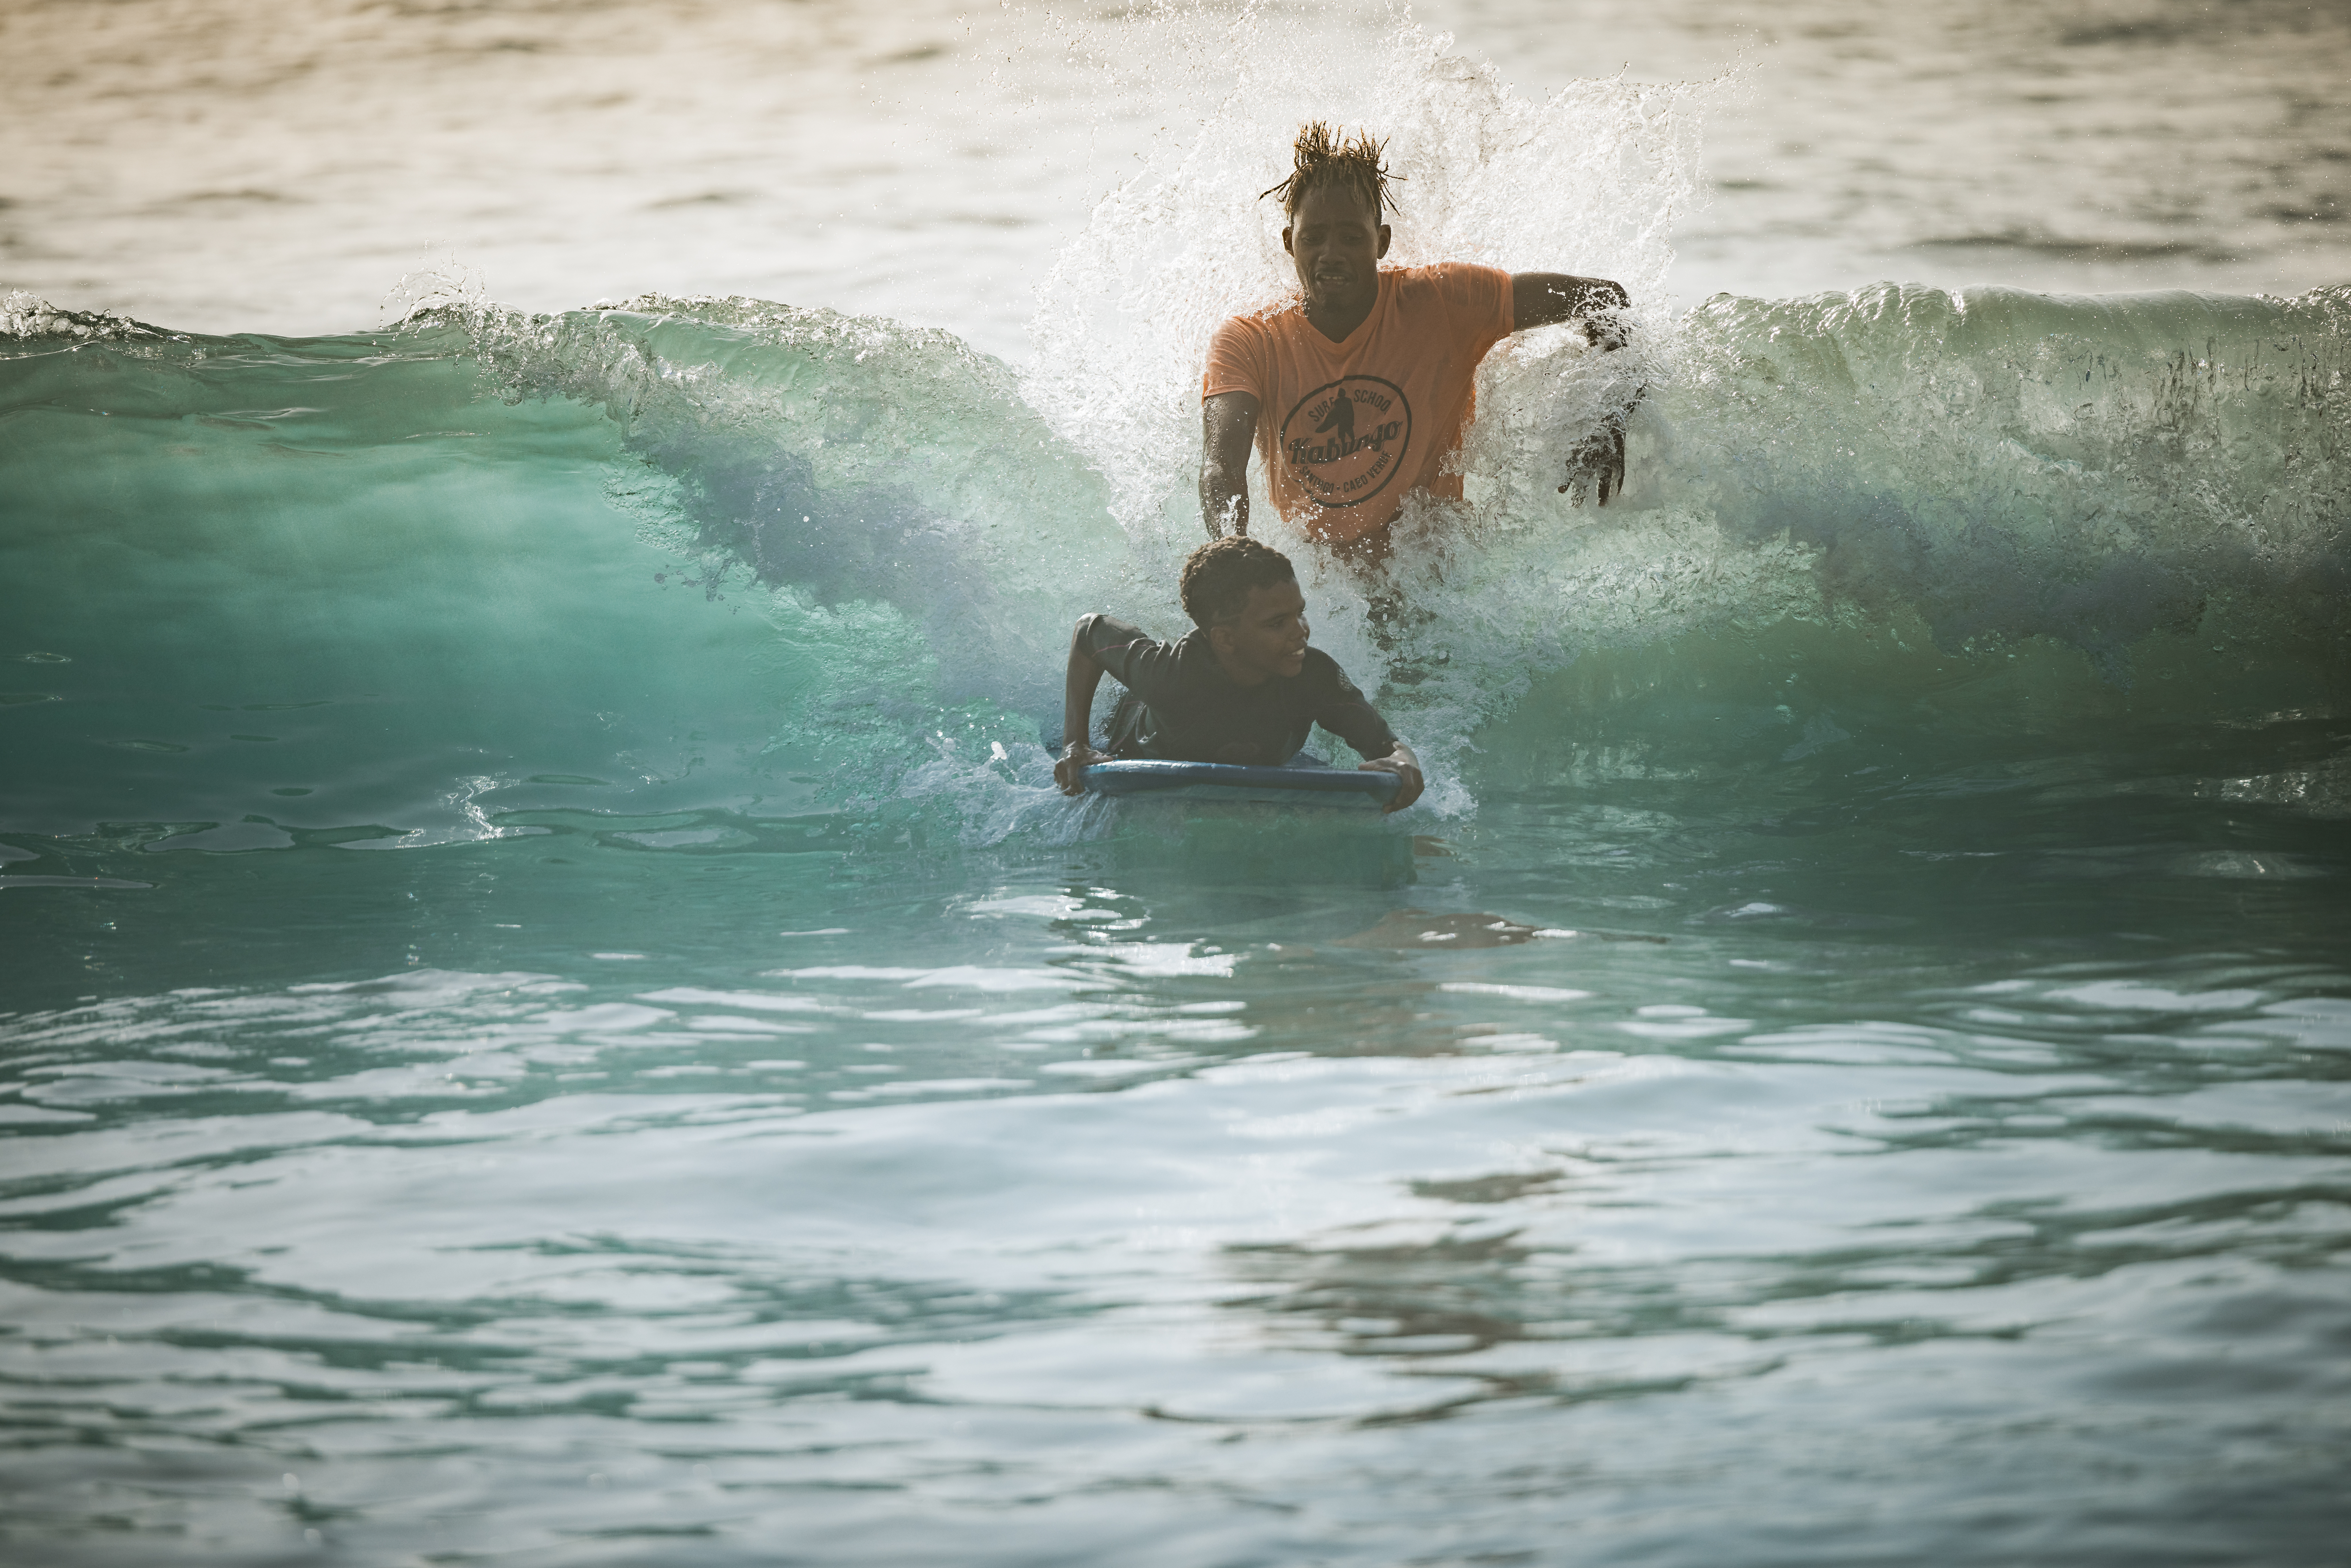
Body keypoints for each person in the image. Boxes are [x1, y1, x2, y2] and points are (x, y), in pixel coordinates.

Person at [1200, 122, 1634, 568]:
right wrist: (1233, 555)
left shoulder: (1444, 302)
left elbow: (1605, 300)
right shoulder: (1249, 341)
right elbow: (1221, 468)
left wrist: (1605, 414)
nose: (1330, 253)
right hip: (1321, 581)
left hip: (1432, 570)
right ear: (1290, 243)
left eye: (1351, 237)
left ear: (1382, 242)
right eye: (1313, 238)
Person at [1053, 536, 1425, 813]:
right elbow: (1090, 630)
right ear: (1226, 639)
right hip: (1132, 735)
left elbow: (1386, 747)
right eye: (1278, 624)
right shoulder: (1171, 677)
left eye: (1300, 613)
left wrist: (1403, 757)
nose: (1301, 632)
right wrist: (1076, 744)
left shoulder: (1313, 676)